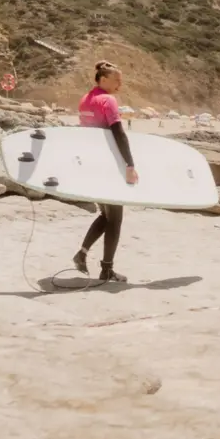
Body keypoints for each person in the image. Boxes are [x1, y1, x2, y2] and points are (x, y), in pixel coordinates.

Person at [72, 61, 138, 283]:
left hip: (91, 165)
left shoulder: (85, 99)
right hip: (108, 167)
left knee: (105, 215)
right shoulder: (107, 100)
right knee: (115, 218)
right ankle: (106, 269)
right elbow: (118, 134)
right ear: (104, 79)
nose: (120, 84)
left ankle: (81, 253)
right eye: (117, 79)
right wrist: (130, 164)